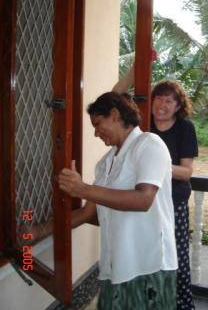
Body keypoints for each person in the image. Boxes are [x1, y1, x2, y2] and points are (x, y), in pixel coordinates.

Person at [57, 92, 178, 309]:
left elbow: (143, 200)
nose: (95, 133)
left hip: (147, 265)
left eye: (97, 124)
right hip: (115, 264)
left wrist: (83, 189)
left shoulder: (149, 144)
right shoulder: (105, 163)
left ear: (114, 115)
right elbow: (87, 214)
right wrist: (37, 232)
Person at [114, 67, 198, 310]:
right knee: (143, 255)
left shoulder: (185, 128)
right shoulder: (141, 122)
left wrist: (156, 165)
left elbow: (186, 172)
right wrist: (137, 67)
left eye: (169, 100)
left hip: (173, 205)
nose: (162, 104)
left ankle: (179, 306)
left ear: (178, 106)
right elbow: (115, 95)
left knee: (176, 259)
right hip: (142, 200)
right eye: (158, 98)